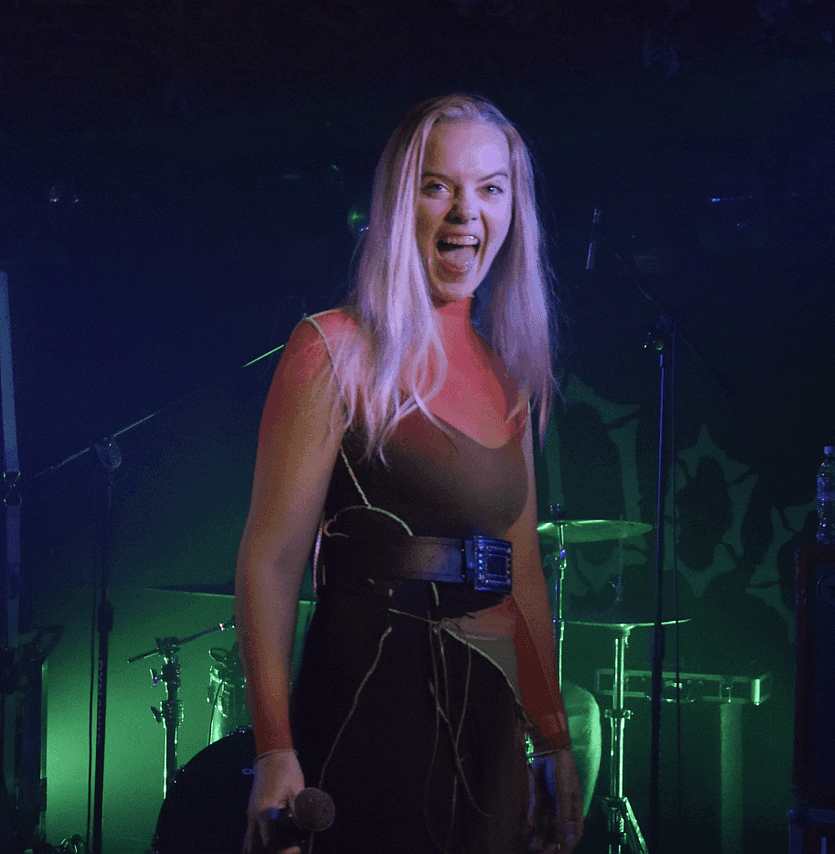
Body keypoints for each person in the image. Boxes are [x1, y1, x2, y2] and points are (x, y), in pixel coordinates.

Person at [234, 94, 582, 854]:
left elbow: (523, 571)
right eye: (438, 186)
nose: (466, 211)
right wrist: (274, 748)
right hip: (369, 704)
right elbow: (273, 559)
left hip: (489, 726)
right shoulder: (332, 348)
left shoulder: (512, 377)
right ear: (400, 203)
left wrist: (552, 738)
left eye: (491, 188)